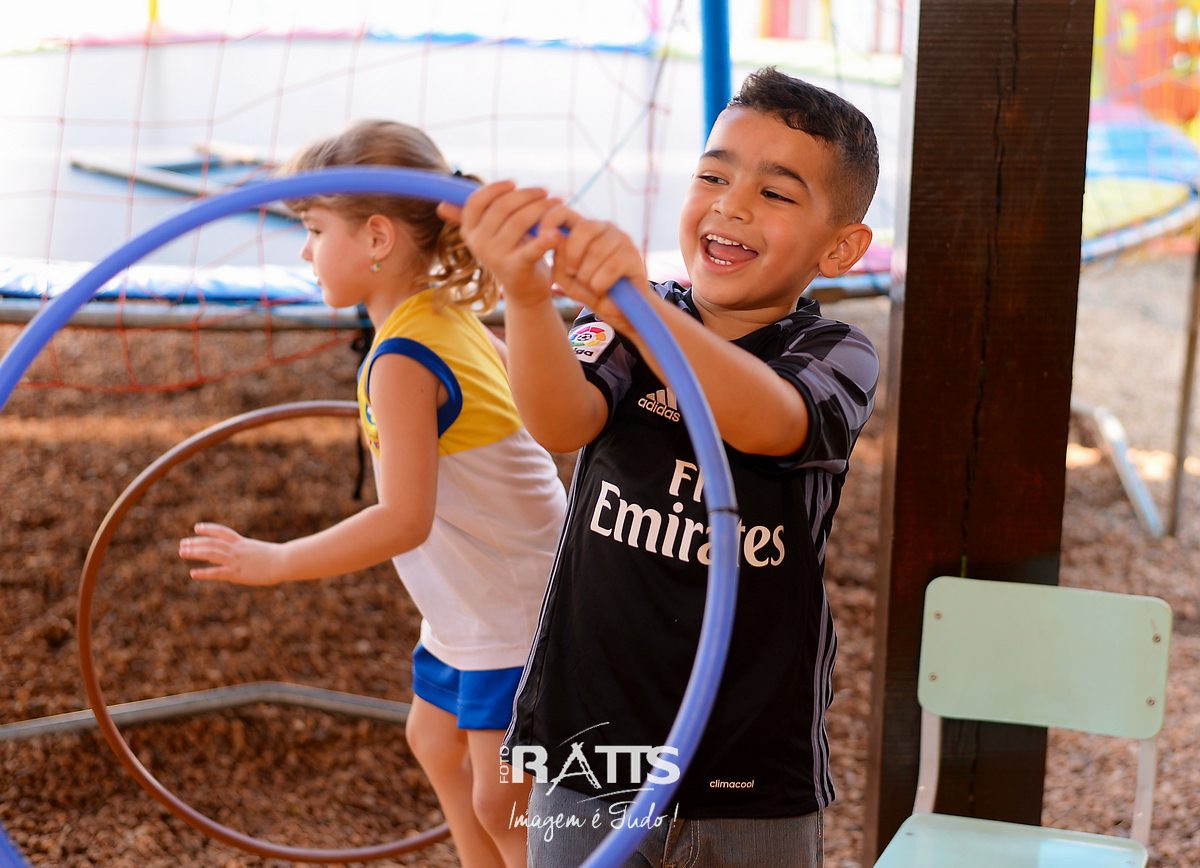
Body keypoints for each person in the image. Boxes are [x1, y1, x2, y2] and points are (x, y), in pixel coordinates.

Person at [441, 67, 880, 865]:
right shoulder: (631, 319)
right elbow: (558, 421)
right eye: (713, 175)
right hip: (590, 746)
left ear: (841, 247)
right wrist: (528, 297)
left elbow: (773, 421)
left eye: (775, 193)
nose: (731, 204)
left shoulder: (833, 352)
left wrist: (638, 312)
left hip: (751, 764)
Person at [177, 119, 567, 868]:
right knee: (435, 741)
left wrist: (279, 561)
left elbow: (404, 519)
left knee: (505, 803)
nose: (305, 250)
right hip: (478, 598)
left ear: (377, 238)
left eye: (315, 229)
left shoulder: (403, 359)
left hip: (514, 605)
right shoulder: (441, 313)